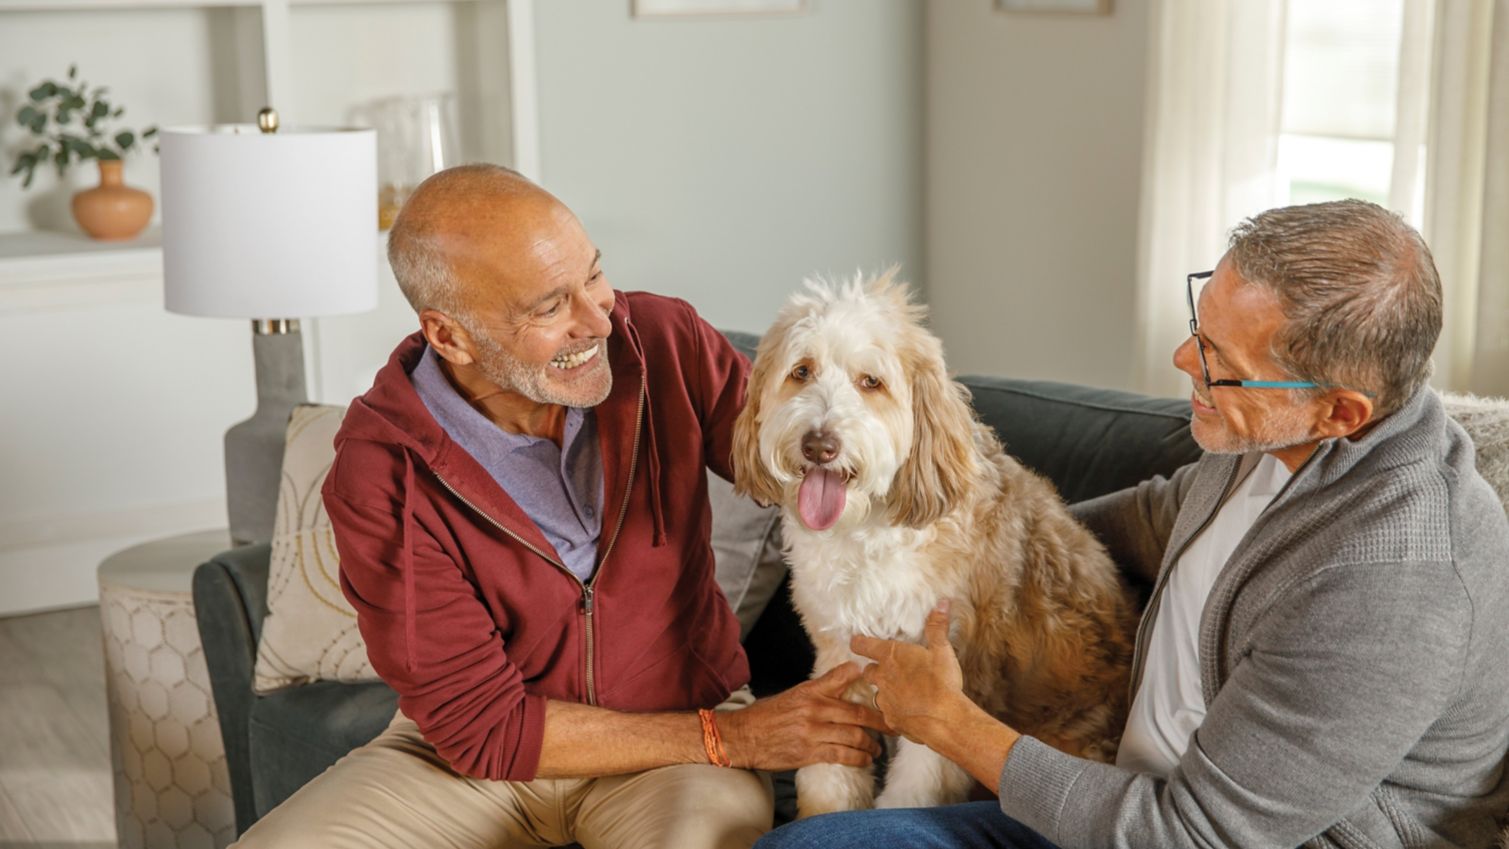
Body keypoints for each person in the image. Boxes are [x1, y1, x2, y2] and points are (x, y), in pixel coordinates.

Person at [755, 199, 1509, 849]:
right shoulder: (1271, 433)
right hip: (1104, 789)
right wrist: (971, 548)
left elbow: (1189, 834)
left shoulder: (1394, 587)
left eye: (1217, 360)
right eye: (1198, 325)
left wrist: (949, 725)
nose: (1183, 359)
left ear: (1338, 410)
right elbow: (1156, 514)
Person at [231, 164, 888, 849]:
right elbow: (483, 728)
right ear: (449, 336)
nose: (598, 318)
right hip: (468, 763)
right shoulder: (380, 470)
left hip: (681, 738)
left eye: (594, 275)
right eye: (549, 307)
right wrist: (737, 735)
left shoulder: (662, 343)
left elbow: (797, 460)